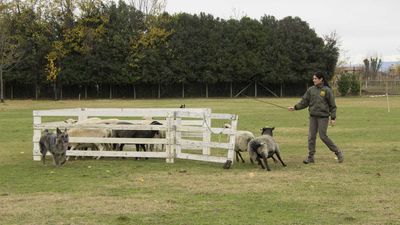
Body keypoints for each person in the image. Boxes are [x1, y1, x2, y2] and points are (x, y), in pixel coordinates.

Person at [288, 72, 344, 164]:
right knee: (311, 137)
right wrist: (295, 107)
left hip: (323, 117)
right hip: (313, 117)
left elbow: (332, 106)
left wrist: (333, 118)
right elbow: (304, 102)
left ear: (321, 79)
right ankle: (310, 157)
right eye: (313, 79)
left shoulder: (327, 90)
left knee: (323, 136)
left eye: (315, 78)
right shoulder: (311, 90)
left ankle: (338, 152)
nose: (313, 80)